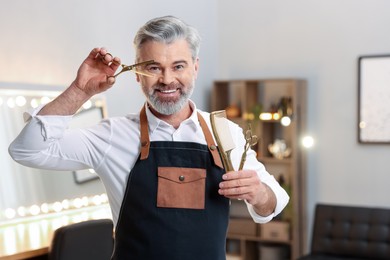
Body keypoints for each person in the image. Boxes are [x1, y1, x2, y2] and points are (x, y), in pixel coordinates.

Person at [9, 16, 289, 259]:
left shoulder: (225, 132)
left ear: (195, 67)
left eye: (178, 66)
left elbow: (274, 202)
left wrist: (258, 193)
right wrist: (79, 91)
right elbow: (27, 150)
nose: (167, 79)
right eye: (154, 68)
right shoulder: (112, 135)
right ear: (137, 74)